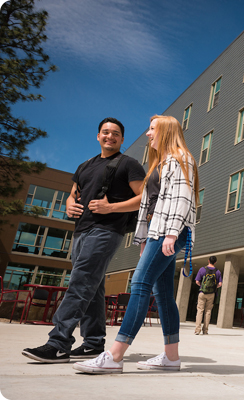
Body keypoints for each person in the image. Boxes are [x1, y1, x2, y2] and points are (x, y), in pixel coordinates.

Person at [73, 115, 199, 374]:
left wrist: (172, 233)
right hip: (159, 232)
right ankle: (171, 357)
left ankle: (115, 356)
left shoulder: (180, 158)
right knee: (162, 294)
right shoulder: (160, 164)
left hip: (169, 231)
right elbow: (149, 204)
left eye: (152, 129)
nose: (148, 134)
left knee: (140, 283)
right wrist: (144, 238)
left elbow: (182, 197)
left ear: (165, 131)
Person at [22, 118, 146, 363]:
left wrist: (111, 208)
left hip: (107, 230)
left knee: (80, 283)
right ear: (98, 136)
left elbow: (145, 197)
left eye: (116, 134)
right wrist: (69, 204)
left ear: (122, 139)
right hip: (81, 230)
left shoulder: (129, 165)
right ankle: (93, 343)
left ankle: (58, 343)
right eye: (105, 132)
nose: (110, 136)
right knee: (93, 286)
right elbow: (72, 194)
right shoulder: (85, 165)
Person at [194, 256, 222, 335]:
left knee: (200, 310)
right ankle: (205, 330)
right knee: (208, 311)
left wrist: (202, 286)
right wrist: (213, 287)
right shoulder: (217, 272)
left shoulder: (202, 269)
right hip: (211, 294)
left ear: (208, 260)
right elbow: (220, 284)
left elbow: (197, 281)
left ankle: (197, 330)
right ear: (215, 262)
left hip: (202, 293)